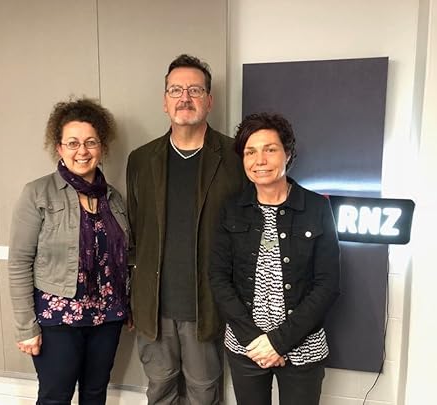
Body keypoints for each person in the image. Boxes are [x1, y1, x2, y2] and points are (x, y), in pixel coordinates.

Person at [126, 54, 244, 404]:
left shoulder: (236, 157)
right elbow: (134, 233)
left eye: (195, 90)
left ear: (209, 100)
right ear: (165, 101)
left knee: (204, 391)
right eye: (175, 90)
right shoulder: (141, 159)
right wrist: (132, 298)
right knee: (159, 388)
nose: (185, 97)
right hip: (154, 307)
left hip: (207, 306)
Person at [210, 113, 340, 405]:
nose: (260, 160)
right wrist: (256, 342)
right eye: (250, 152)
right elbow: (218, 279)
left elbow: (328, 285)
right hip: (247, 346)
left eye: (270, 149)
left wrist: (278, 343)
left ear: (287, 153)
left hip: (303, 347)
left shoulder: (316, 208)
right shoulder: (231, 209)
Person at [8, 98, 130, 405]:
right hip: (58, 317)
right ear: (59, 148)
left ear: (102, 147)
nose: (82, 151)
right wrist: (25, 326)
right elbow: (19, 262)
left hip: (107, 315)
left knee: (95, 394)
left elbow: (126, 258)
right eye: (72, 143)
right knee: (55, 397)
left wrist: (129, 304)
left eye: (91, 142)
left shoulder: (113, 198)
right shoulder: (37, 193)